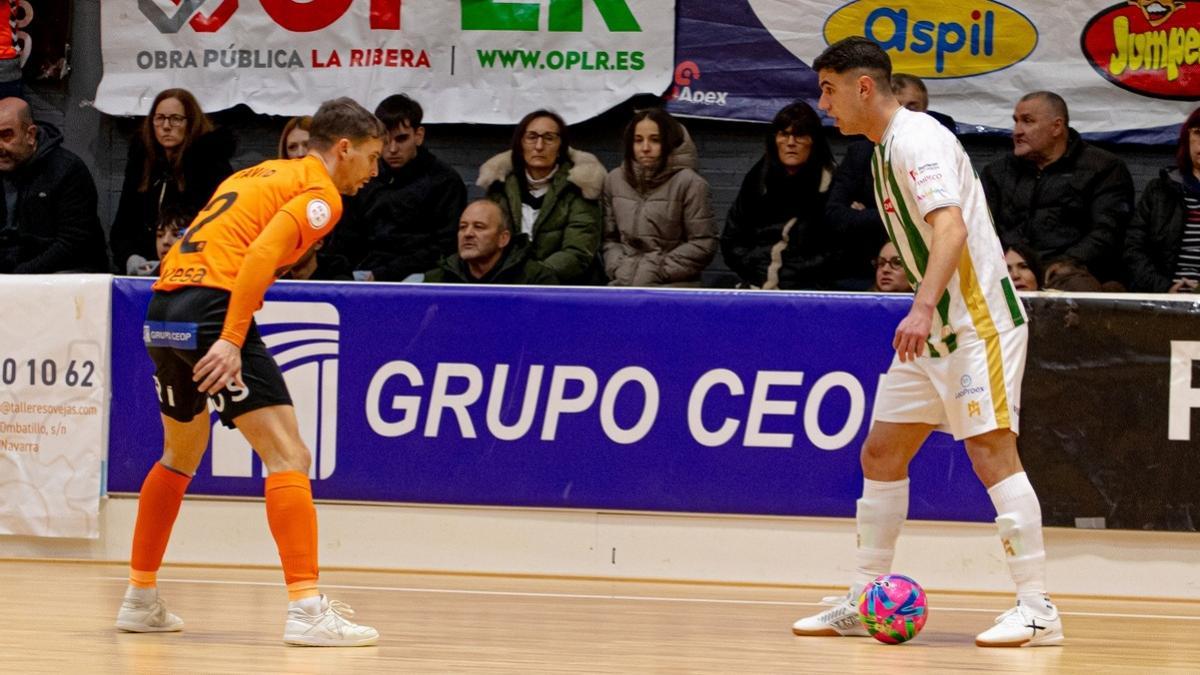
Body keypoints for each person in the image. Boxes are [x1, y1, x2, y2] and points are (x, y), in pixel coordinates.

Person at [794, 37, 1062, 648]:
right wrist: (926, 314)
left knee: (993, 454)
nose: (824, 104)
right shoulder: (880, 149)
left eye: (829, 90)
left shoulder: (917, 140)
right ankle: (867, 597)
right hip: (936, 328)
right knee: (882, 452)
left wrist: (919, 307)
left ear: (864, 87)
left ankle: (1038, 608)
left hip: (975, 322)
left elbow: (951, 226)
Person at [115, 98, 386, 647]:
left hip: (165, 308)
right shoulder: (320, 196)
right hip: (214, 308)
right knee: (289, 456)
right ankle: (307, 609)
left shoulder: (262, 172)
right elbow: (262, 254)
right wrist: (234, 338)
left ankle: (140, 598)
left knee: (179, 455)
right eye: (372, 157)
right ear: (343, 148)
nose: (375, 171)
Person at [981, 91, 1134, 285]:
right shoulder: (997, 173)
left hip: (1070, 277)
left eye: (1027, 121)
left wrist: (1065, 264)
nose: (1017, 131)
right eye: (1016, 121)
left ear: (1056, 127)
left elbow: (1107, 232)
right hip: (1006, 275)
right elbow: (981, 231)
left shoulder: (1103, 168)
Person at [326, 94, 467, 282]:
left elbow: (446, 247)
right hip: (362, 274)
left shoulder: (445, 181)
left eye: (401, 139)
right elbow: (344, 239)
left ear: (419, 136)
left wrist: (383, 274)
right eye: (385, 141)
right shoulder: (361, 179)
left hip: (420, 276)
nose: (392, 149)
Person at [110, 88, 234, 276]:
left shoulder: (211, 165)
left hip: (195, 272)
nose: (166, 126)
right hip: (142, 270)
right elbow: (122, 229)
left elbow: (220, 231)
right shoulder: (141, 163)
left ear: (190, 123)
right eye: (159, 118)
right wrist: (131, 259)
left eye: (175, 119)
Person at [722, 101, 844, 289]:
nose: (791, 143)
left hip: (808, 289)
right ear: (775, 139)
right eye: (784, 134)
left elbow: (838, 249)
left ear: (813, 141)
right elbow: (732, 238)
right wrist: (755, 268)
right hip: (755, 283)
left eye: (800, 135)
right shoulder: (758, 178)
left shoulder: (832, 182)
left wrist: (791, 274)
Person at [478, 109, 605, 285]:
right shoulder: (499, 186)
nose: (539, 146)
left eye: (549, 138)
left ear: (561, 147)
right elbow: (487, 242)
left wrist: (532, 278)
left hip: (562, 288)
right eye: (532, 137)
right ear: (520, 143)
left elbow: (578, 252)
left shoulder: (579, 186)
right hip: (504, 284)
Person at [601, 108, 716, 286]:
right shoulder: (614, 179)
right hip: (622, 285)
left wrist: (655, 271)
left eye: (655, 140)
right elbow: (610, 239)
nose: (645, 148)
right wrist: (619, 268)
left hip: (672, 289)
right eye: (638, 140)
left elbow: (703, 243)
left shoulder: (690, 183)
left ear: (669, 142)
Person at [0, 98, 108, 273]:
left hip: (66, 270)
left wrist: (19, 276)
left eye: (6, 135)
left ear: (30, 134)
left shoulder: (67, 169)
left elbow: (73, 243)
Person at [1124, 106, 1200, 293]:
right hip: (1163, 296)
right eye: (1198, 132)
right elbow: (1133, 249)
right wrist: (1165, 288)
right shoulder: (1159, 191)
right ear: (1187, 138)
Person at [425, 199, 557, 284]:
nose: (468, 234)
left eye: (479, 227)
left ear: (503, 239)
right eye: (462, 227)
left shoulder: (536, 280)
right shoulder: (438, 280)